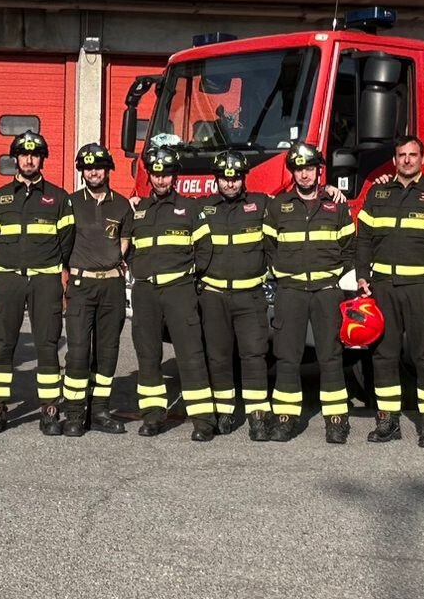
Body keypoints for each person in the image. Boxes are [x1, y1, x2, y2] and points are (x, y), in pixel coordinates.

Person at [354, 135, 424, 447]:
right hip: (383, 289)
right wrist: (362, 276)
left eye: (412, 155)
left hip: (423, 289)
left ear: (423, 159)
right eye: (401, 155)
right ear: (394, 160)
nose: (407, 160)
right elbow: (364, 238)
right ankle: (387, 421)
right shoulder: (377, 193)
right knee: (383, 356)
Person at [263, 141, 361, 444]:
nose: (304, 174)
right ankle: (285, 419)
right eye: (298, 168)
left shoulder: (336, 205)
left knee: (330, 356)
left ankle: (336, 420)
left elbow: (350, 248)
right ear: (292, 172)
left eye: (309, 168)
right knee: (287, 357)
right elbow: (269, 248)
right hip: (290, 291)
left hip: (326, 292)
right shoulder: (278, 207)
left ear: (318, 171)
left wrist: (334, 278)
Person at [0, 131, 75, 435]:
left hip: (44, 279)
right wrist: (1, 263)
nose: (29, 159)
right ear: (16, 159)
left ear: (42, 159)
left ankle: (49, 408)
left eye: (35, 155)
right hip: (8, 279)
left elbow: (67, 240)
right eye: (24, 155)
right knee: (2, 343)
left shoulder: (58, 198)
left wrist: (52, 269)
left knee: (47, 343)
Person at [128, 144, 218, 441]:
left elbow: (204, 250)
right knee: (148, 355)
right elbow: (128, 249)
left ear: (175, 176)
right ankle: (153, 416)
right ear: (150, 176)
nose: (161, 180)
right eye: (156, 174)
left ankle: (203, 420)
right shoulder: (137, 209)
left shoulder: (190, 209)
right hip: (145, 292)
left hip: (180, 289)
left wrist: (190, 278)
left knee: (191, 355)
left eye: (166, 174)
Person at [195, 152, 273, 441]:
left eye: (235, 178)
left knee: (254, 356)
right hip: (214, 297)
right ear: (217, 179)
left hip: (250, 296)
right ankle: (225, 411)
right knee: (218, 357)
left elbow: (295, 201)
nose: (230, 183)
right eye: (225, 178)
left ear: (243, 179)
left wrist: (329, 190)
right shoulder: (202, 208)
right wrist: (136, 203)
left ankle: (258, 416)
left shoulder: (263, 205)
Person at [62, 143, 131, 436]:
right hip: (81, 285)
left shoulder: (123, 205)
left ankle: (100, 409)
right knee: (77, 352)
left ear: (108, 170)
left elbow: (125, 243)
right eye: (88, 167)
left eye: (99, 167)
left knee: (107, 351)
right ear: (81, 171)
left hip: (111, 286)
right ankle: (76, 414)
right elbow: (62, 244)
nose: (94, 172)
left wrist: (113, 265)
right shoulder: (71, 203)